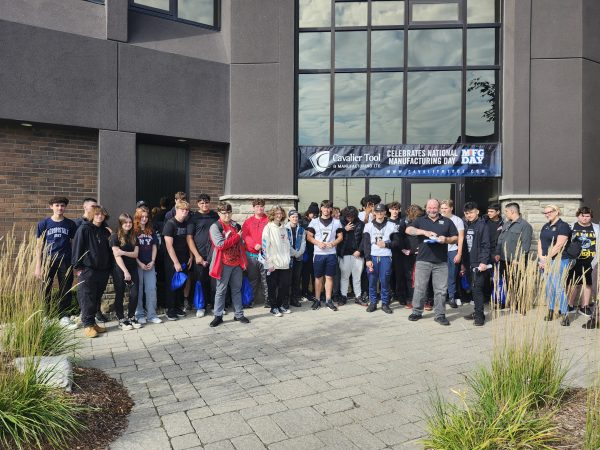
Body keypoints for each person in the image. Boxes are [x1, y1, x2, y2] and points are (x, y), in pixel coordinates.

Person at [406, 199, 459, 326]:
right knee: (420, 287)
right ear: (426, 208)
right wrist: (423, 232)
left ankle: (440, 315)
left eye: (434, 208)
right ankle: (417, 312)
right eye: (429, 208)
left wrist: (445, 239)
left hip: (441, 262)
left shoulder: (447, 221)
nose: (432, 210)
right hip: (423, 260)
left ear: (439, 208)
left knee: (441, 290)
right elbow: (408, 230)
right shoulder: (420, 220)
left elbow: (455, 237)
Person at [35, 196, 77, 329]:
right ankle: (45, 316)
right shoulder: (43, 224)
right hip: (48, 260)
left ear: (65, 207)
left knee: (65, 288)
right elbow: (39, 246)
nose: (60, 208)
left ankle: (63, 316)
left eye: (62, 205)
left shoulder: (70, 224)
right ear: (51, 207)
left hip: (65, 260)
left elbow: (73, 243)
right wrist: (38, 266)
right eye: (57, 205)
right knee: (45, 288)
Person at [72, 205, 112, 338]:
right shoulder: (84, 229)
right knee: (87, 297)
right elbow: (77, 247)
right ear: (92, 215)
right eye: (97, 214)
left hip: (103, 270)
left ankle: (93, 323)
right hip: (88, 269)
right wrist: (77, 267)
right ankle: (87, 325)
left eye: (102, 214)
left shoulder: (105, 231)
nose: (100, 216)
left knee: (96, 297)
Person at [208, 202, 250, 327]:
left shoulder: (236, 225)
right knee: (220, 291)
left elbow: (241, 244)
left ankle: (239, 314)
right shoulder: (215, 227)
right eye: (224, 213)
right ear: (219, 213)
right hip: (223, 264)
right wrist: (237, 237)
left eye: (229, 212)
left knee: (237, 290)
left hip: (237, 263)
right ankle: (218, 316)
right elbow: (220, 245)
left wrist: (244, 261)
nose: (227, 215)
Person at [306, 200, 344, 311]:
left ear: (331, 209)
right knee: (318, 277)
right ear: (321, 209)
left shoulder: (337, 222)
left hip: (331, 254)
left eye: (328, 207)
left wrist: (333, 243)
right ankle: (317, 299)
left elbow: (340, 237)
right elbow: (309, 237)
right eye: (324, 207)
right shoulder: (314, 221)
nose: (326, 209)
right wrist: (318, 243)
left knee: (329, 277)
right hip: (318, 254)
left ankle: (328, 300)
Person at [538, 204, 572, 325]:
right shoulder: (546, 226)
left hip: (559, 260)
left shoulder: (563, 226)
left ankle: (565, 314)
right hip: (545, 261)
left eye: (549, 212)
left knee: (558, 288)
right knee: (549, 288)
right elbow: (540, 242)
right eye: (545, 213)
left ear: (557, 212)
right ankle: (551, 310)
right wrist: (541, 258)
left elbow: (559, 245)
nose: (547, 214)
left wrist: (546, 260)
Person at [363, 203, 400, 314]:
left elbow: (397, 242)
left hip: (386, 257)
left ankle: (385, 303)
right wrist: (368, 259)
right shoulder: (368, 226)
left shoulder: (392, 225)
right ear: (374, 212)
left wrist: (386, 245)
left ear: (385, 212)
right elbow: (366, 244)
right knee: (372, 281)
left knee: (385, 281)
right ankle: (373, 303)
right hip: (373, 257)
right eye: (377, 211)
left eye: (381, 211)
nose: (379, 213)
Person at [187, 194, 219, 318]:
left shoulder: (215, 216)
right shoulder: (193, 218)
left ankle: (215, 306)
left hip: (214, 254)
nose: (204, 205)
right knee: (200, 281)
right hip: (199, 255)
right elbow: (189, 238)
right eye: (201, 203)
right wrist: (196, 255)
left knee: (214, 282)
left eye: (206, 202)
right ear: (197, 204)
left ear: (209, 203)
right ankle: (201, 306)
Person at [461, 202, 491, 326]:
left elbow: (486, 245)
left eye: (472, 212)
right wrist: (463, 263)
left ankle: (479, 316)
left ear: (477, 212)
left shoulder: (483, 225)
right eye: (467, 213)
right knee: (473, 289)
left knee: (477, 289)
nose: (469, 215)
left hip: (478, 263)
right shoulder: (466, 225)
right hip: (468, 262)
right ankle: (476, 311)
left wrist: (484, 262)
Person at [162, 201, 193, 321]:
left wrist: (190, 256)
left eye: (186, 210)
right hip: (172, 260)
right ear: (176, 210)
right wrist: (176, 262)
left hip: (185, 258)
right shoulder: (170, 224)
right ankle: (170, 309)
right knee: (172, 285)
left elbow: (189, 241)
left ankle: (177, 307)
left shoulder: (186, 224)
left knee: (182, 284)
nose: (185, 212)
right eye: (182, 210)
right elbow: (169, 246)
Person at [567, 207, 599, 318]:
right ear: (578, 216)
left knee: (588, 283)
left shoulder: (597, 228)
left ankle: (584, 306)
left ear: (591, 217)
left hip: (591, 261)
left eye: (587, 216)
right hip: (574, 261)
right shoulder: (571, 227)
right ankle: (569, 305)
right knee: (573, 284)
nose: (585, 218)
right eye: (582, 216)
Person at [110, 213, 141, 330]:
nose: (128, 224)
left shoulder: (134, 236)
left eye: (130, 222)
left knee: (135, 293)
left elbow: (136, 254)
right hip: (119, 269)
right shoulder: (114, 237)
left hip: (133, 268)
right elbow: (116, 256)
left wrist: (123, 252)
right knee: (120, 293)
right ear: (121, 224)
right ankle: (121, 319)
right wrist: (125, 272)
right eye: (125, 222)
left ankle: (131, 316)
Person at [133, 207, 162, 324]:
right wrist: (139, 263)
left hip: (150, 264)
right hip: (138, 265)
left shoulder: (151, 230)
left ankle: (152, 315)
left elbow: (154, 246)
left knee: (151, 289)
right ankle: (139, 314)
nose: (144, 219)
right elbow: (132, 250)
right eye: (141, 217)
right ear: (137, 218)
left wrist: (153, 261)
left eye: (146, 216)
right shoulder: (134, 231)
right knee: (138, 290)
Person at [262, 206, 292, 316]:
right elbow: (265, 247)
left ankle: (280, 306)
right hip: (273, 264)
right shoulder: (268, 227)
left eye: (280, 213)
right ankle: (273, 307)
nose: (279, 215)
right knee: (272, 287)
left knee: (284, 286)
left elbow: (287, 245)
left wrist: (287, 259)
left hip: (284, 263)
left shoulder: (284, 228)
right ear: (272, 215)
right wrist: (269, 263)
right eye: (276, 213)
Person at [242, 198, 269, 307]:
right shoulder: (248, 222)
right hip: (251, 256)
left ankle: (268, 300)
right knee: (252, 279)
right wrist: (254, 245)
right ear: (253, 208)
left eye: (261, 206)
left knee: (266, 279)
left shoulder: (268, 220)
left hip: (265, 255)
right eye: (257, 206)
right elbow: (245, 235)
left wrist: (264, 245)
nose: (259, 208)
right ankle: (250, 300)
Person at [337, 206, 365, 306]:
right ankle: (343, 296)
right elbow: (335, 237)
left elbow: (364, 239)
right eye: (348, 217)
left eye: (352, 216)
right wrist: (344, 229)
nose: (350, 218)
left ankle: (358, 296)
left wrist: (360, 250)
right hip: (344, 254)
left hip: (357, 254)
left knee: (357, 277)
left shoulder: (361, 224)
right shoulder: (339, 223)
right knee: (344, 277)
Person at [440, 200, 464, 309]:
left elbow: (461, 237)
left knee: (452, 275)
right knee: (440, 275)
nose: (443, 210)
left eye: (445, 208)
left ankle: (451, 297)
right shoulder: (438, 219)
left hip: (453, 250)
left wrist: (459, 253)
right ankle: (440, 298)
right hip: (439, 251)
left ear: (451, 208)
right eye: (442, 208)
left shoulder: (457, 220)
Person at [401, 205, 424, 309]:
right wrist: (403, 249)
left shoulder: (424, 223)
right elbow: (399, 237)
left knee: (423, 278)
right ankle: (410, 299)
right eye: (415, 214)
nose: (417, 216)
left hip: (422, 254)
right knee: (409, 277)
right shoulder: (404, 223)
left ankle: (425, 300)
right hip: (408, 255)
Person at [285, 209, 306, 307]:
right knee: (287, 280)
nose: (295, 219)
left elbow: (303, 243)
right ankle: (286, 300)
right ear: (289, 218)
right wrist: (294, 253)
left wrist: (299, 253)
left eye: (297, 217)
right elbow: (286, 244)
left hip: (298, 258)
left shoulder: (301, 229)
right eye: (293, 217)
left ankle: (294, 299)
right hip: (288, 259)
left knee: (296, 280)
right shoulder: (284, 229)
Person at [387, 201, 405, 304]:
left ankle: (400, 296)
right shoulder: (386, 221)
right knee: (389, 274)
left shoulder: (402, 222)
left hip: (399, 252)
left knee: (399, 274)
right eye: (393, 209)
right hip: (388, 251)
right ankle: (389, 295)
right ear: (389, 210)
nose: (395, 211)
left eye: (397, 209)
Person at [301, 202, 319, 301]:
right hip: (306, 251)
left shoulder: (317, 221)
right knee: (305, 274)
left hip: (315, 250)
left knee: (314, 273)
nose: (314, 215)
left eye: (316, 214)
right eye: (312, 213)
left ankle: (315, 292)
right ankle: (304, 291)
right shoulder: (302, 221)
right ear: (308, 212)